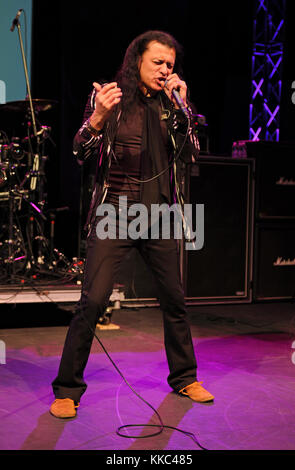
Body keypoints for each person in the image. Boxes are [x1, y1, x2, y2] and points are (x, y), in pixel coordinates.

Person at [50, 30, 214, 419]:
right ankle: (67, 390)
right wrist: (98, 117)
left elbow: (192, 155)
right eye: (157, 62)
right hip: (114, 214)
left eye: (170, 65)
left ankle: (185, 376)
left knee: (175, 300)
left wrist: (184, 108)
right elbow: (78, 152)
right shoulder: (109, 97)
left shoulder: (172, 107)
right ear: (136, 61)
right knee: (92, 301)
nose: (164, 70)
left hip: (159, 214)